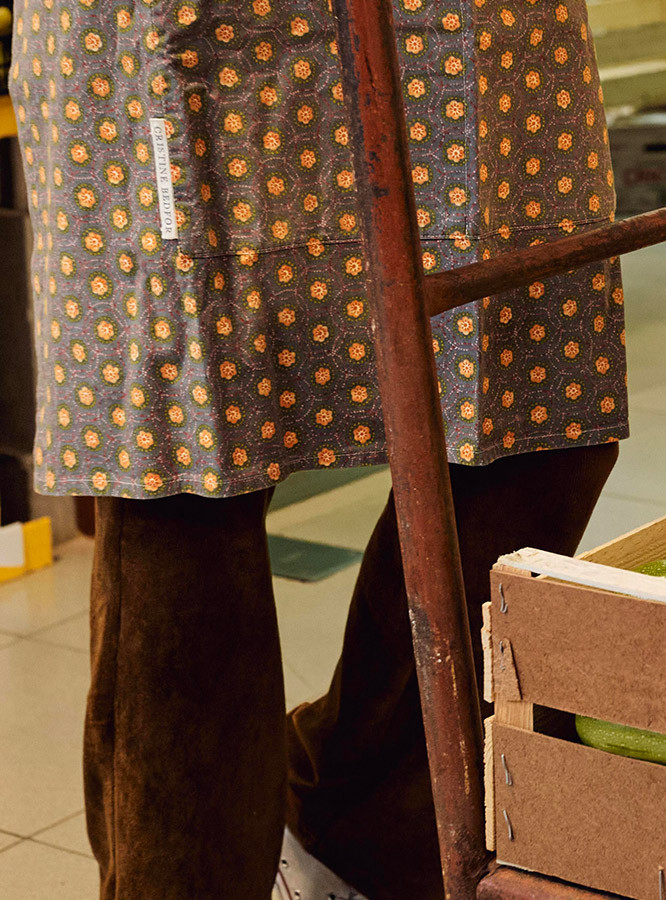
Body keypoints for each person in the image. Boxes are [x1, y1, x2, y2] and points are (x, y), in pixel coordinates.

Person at [9, 0, 627, 897]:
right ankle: (186, 879)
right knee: (185, 490)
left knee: (539, 416)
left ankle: (362, 822)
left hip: (468, 24)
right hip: (181, 34)